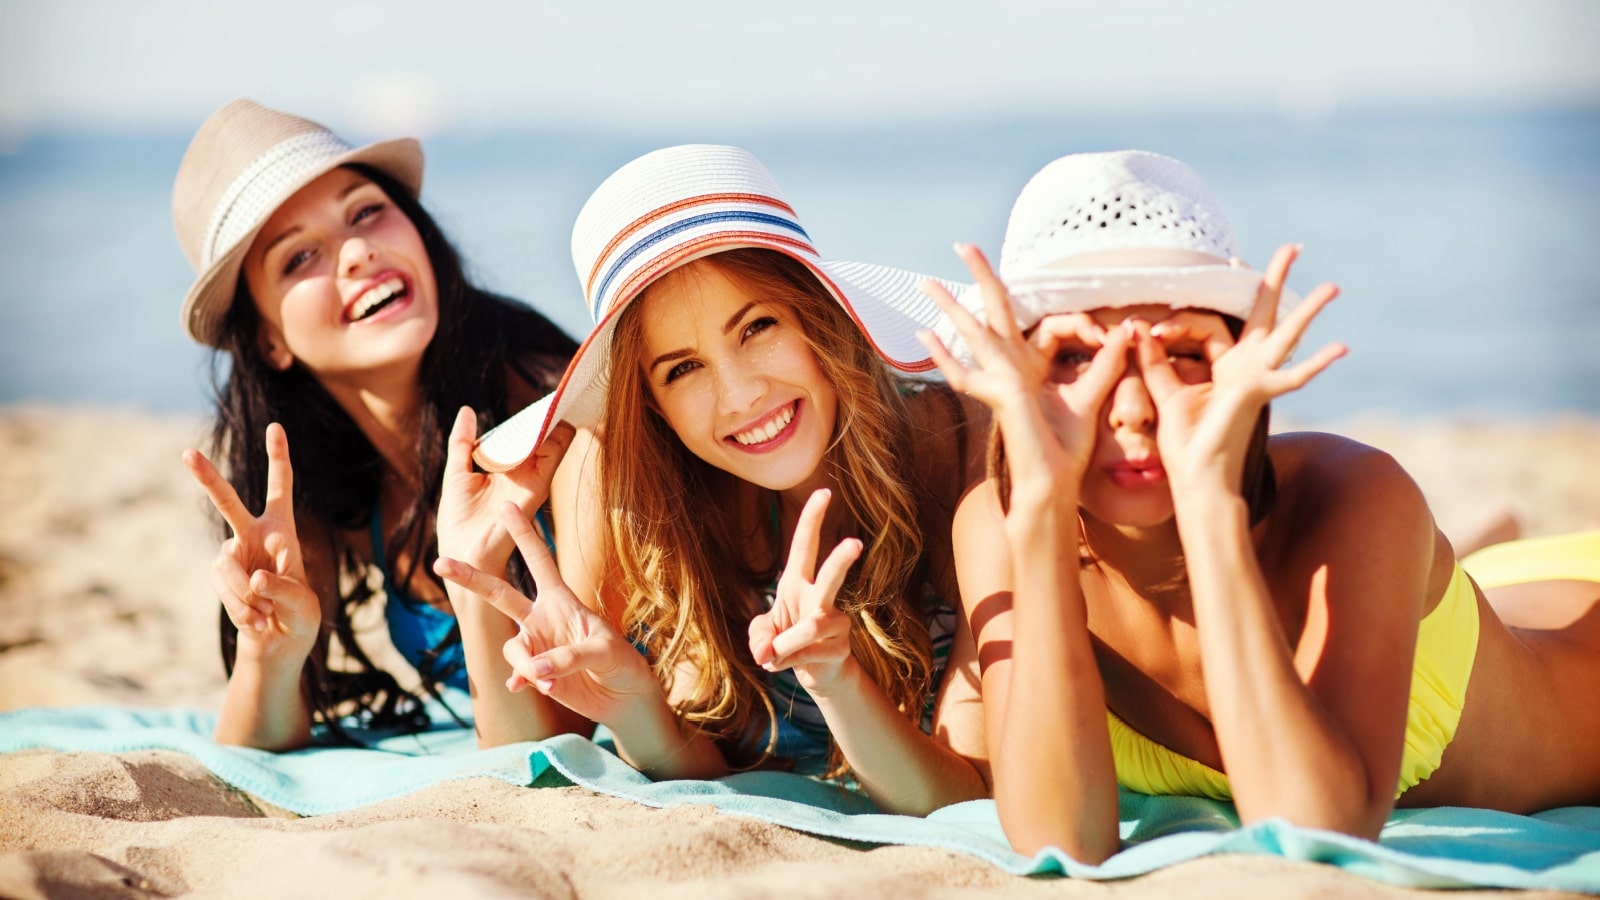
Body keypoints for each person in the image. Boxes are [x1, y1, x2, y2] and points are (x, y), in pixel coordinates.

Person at [920, 150, 1600, 861]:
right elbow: (1064, 842)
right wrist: (1040, 508)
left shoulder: (1357, 493)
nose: (1130, 407)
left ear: (1238, 363)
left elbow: (1316, 830)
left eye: (1179, 352)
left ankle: (1483, 548)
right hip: (1480, 596)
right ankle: (1486, 543)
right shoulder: (1004, 524)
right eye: (1074, 358)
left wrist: (1209, 504)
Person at [440, 145, 989, 814]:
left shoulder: (958, 446)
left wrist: (835, 678)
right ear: (652, 405)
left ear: (819, 319)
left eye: (756, 327)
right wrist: (472, 574)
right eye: (682, 369)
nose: (739, 396)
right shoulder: (614, 481)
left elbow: (968, 799)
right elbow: (541, 762)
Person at [172, 99, 582, 751]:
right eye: (298, 257)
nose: (358, 251)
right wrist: (270, 651)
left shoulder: (552, 415)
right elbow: (255, 747)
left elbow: (570, 734)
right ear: (270, 340)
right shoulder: (319, 488)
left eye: (366, 211)